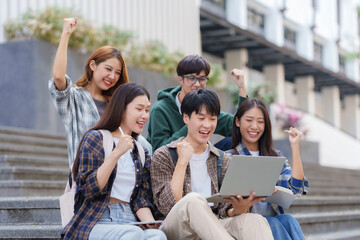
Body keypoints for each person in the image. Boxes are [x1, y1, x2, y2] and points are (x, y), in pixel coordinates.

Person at [150, 89, 273, 240]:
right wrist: (182, 162)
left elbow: (223, 211)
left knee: (255, 221)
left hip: (213, 228)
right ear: (186, 118)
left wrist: (238, 209)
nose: (207, 125)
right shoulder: (164, 155)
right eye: (201, 118)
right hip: (178, 227)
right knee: (193, 200)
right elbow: (167, 206)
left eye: (212, 119)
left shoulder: (223, 159)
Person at [61, 83, 166, 240]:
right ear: (122, 109)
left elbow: (140, 198)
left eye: (147, 110)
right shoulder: (96, 138)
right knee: (132, 234)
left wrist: (151, 223)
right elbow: (89, 189)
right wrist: (116, 153)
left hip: (131, 220)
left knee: (157, 236)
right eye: (139, 109)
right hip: (97, 220)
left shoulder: (141, 151)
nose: (145, 115)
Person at [49, 18, 151, 168]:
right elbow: (58, 77)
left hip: (118, 181)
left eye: (117, 72)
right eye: (108, 69)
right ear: (92, 65)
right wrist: (66, 34)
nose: (112, 77)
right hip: (86, 181)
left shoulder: (116, 102)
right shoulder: (74, 98)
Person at [228, 98, 309, 240]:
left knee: (288, 220)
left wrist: (295, 147)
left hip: (274, 220)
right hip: (245, 222)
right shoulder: (229, 157)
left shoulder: (274, 156)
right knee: (271, 222)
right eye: (249, 120)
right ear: (238, 122)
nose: (255, 126)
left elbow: (295, 188)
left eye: (260, 122)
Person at [147, 55, 247, 152]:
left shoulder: (205, 108)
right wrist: (192, 126)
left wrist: (242, 88)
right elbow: (158, 150)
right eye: (191, 78)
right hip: (173, 163)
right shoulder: (161, 109)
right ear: (181, 80)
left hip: (200, 157)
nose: (197, 84)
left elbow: (237, 127)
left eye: (202, 79)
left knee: (232, 142)